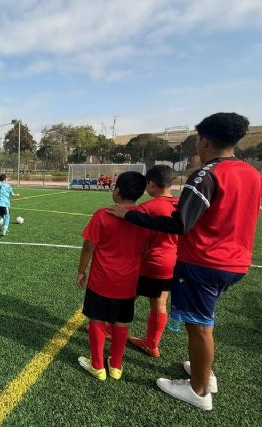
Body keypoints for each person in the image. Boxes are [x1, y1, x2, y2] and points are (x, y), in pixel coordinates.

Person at [107, 112, 261, 410]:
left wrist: (131, 214)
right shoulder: (252, 174)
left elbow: (180, 224)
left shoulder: (207, 174)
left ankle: (199, 390)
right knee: (204, 322)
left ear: (204, 141)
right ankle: (205, 373)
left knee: (200, 327)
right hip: (236, 262)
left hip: (205, 262)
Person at [77, 171, 151, 381]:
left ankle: (97, 366)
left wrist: (81, 271)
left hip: (102, 280)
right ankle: (116, 366)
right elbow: (145, 250)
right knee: (121, 323)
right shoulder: (143, 218)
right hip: (128, 282)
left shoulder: (103, 214)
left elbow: (88, 246)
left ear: (117, 191)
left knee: (97, 320)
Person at [129, 165, 179, 358]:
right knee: (160, 302)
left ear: (151, 184)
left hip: (152, 261)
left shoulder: (148, 208)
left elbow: (137, 238)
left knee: (128, 297)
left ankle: (109, 330)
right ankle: (151, 344)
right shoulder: (181, 204)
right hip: (173, 261)